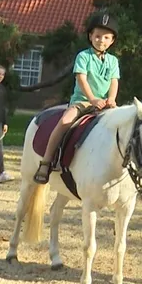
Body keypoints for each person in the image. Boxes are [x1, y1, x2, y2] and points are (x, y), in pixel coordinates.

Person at [33, 11, 120, 184]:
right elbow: (81, 79)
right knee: (65, 121)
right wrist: (93, 99)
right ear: (90, 36)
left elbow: (114, 81)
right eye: (97, 36)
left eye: (105, 37)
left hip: (105, 105)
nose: (101, 40)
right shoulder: (83, 56)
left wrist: (111, 98)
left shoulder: (113, 61)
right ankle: (46, 161)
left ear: (112, 41)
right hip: (83, 101)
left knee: (123, 126)